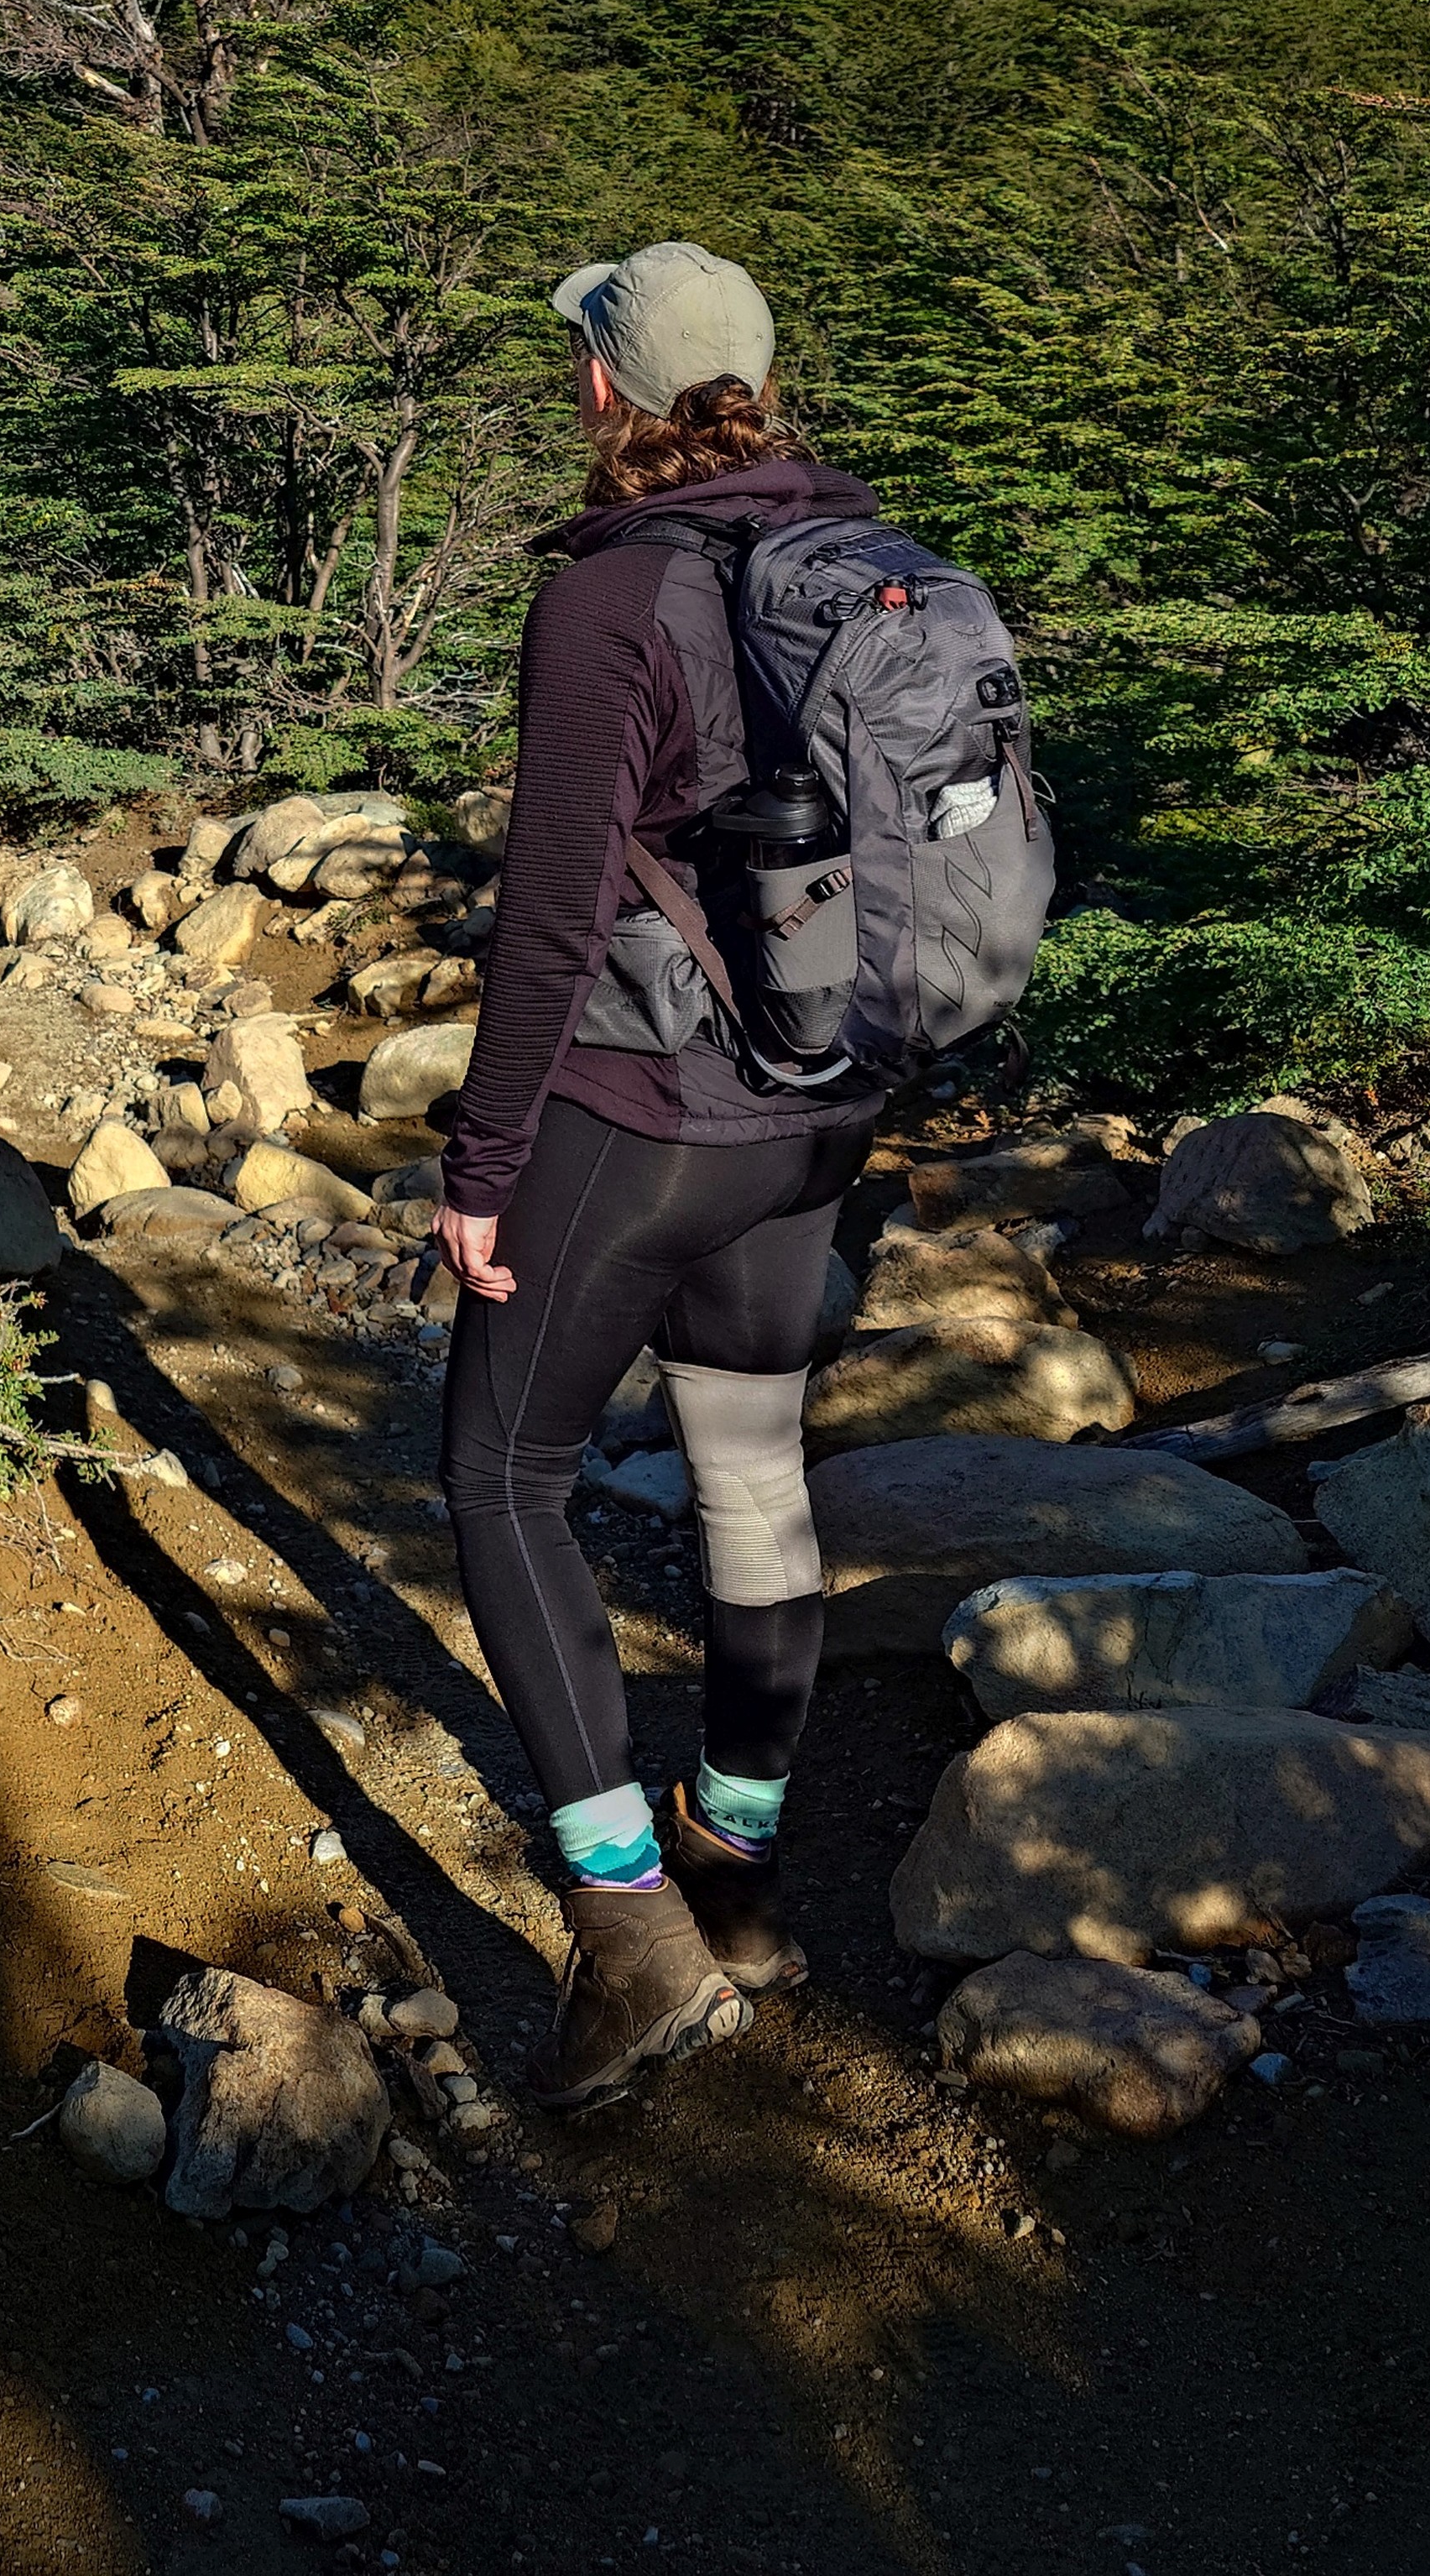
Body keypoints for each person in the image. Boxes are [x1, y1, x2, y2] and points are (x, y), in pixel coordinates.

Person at [435, 241, 885, 2106]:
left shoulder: (615, 592)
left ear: (609, 389)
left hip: (652, 1101)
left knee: (501, 1468)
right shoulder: (858, 556)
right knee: (753, 1470)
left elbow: (551, 911)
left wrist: (483, 1156)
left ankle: (633, 1936)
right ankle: (745, 1867)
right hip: (825, 1100)